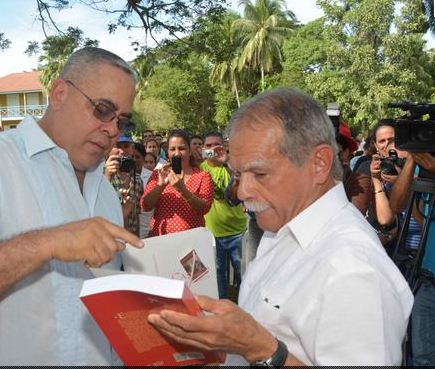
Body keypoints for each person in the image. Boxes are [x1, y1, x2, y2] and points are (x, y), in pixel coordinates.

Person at [0, 47, 143, 365]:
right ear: (59, 93)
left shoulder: (104, 190)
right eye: (103, 110)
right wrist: (47, 242)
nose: (113, 129)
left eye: (122, 120)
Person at [148, 88, 413, 366]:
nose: (242, 192)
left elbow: (261, 345)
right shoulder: (281, 228)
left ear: (319, 163)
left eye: (260, 173)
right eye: (239, 174)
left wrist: (262, 350)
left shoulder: (354, 271)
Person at [389, 152, 435, 366]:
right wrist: (412, 159)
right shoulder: (424, 163)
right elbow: (397, 205)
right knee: (421, 359)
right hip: (427, 279)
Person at [199, 132, 247, 299]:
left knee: (244, 275)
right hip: (211, 234)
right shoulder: (200, 169)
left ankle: (245, 310)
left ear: (224, 146)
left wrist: (227, 162)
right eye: (209, 145)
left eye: (216, 145)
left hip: (237, 232)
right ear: (203, 148)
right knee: (218, 278)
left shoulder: (233, 167)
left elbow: (243, 187)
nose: (213, 149)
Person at [141, 129, 213, 236]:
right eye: (172, 149)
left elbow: (204, 208)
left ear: (189, 151)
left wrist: (182, 190)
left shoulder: (202, 176)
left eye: (182, 148)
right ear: (167, 152)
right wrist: (160, 185)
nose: (177, 153)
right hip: (161, 239)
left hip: (191, 241)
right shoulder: (158, 174)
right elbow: (145, 206)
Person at [104, 134, 144, 237]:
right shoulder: (97, 175)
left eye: (126, 146)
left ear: (132, 149)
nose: (121, 151)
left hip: (129, 241)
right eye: (117, 146)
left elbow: (135, 216)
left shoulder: (137, 179)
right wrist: (107, 176)